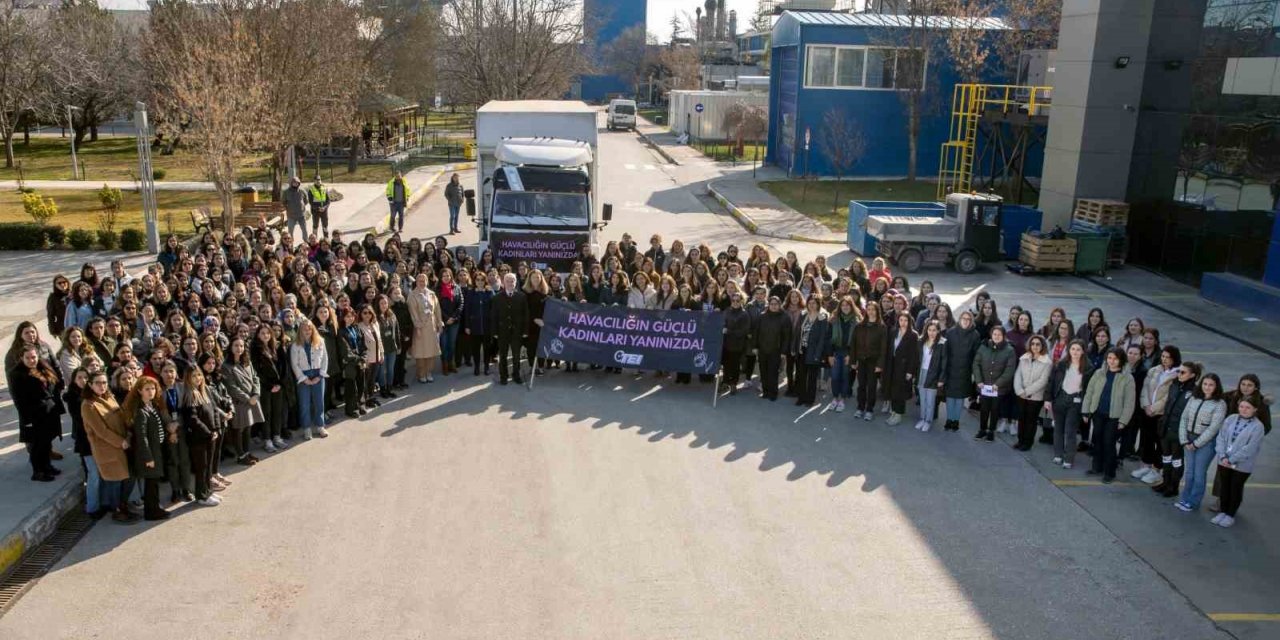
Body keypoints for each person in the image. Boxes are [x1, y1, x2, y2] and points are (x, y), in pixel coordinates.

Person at [81, 371, 139, 524]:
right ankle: (118, 510)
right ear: (90, 385)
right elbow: (101, 431)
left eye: (104, 382)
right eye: (98, 383)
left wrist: (127, 436)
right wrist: (120, 442)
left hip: (123, 444)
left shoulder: (109, 396)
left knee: (130, 476)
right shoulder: (88, 405)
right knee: (115, 481)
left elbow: (121, 418)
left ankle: (123, 504)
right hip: (108, 449)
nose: (102, 386)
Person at [1082, 347, 1136, 483]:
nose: (1112, 361)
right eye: (1109, 358)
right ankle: (1096, 467)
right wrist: (1086, 410)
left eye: (1115, 359)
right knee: (1097, 439)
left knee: (1109, 443)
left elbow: (1130, 401)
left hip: (1115, 416)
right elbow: (1089, 392)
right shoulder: (1099, 373)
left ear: (1121, 360)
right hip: (1098, 413)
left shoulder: (1128, 378)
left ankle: (1109, 472)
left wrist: (1123, 420)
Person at [11, 346, 65, 482]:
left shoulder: (42, 367)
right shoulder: (17, 374)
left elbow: (53, 385)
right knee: (37, 445)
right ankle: (38, 471)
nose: (31, 360)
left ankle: (47, 466)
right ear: (21, 358)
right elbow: (20, 400)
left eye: (34, 357)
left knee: (46, 442)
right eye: (27, 358)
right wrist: (27, 420)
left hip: (48, 412)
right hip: (34, 415)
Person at [1175, 373, 1227, 512]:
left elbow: (1213, 428)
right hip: (1188, 439)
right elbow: (1184, 419)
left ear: (1216, 387)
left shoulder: (1220, 404)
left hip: (1206, 443)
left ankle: (1194, 502)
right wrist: (1184, 440)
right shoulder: (1194, 398)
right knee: (1190, 472)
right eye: (1205, 384)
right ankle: (1185, 498)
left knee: (1199, 473)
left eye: (1211, 385)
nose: (1207, 387)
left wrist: (1196, 443)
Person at [1212, 397, 1266, 528]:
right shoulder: (1231, 419)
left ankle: (1230, 515)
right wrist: (1223, 456)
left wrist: (1231, 459)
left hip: (1242, 465)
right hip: (1224, 461)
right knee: (1224, 487)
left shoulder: (1258, 426)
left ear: (1255, 409)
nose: (1244, 410)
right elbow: (1221, 438)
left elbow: (1250, 448)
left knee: (1235, 488)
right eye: (1242, 406)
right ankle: (1223, 511)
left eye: (1248, 407)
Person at [122, 376, 170, 520]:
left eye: (153, 388)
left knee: (154, 483)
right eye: (147, 389)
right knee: (150, 484)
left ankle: (154, 507)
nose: (151, 392)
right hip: (150, 454)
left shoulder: (151, 405)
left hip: (156, 450)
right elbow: (141, 437)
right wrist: (148, 457)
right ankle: (152, 511)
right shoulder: (141, 412)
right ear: (139, 391)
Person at [1132, 346, 1182, 485]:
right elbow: (1145, 388)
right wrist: (1146, 405)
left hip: (1160, 414)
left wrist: (1153, 408)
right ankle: (1146, 466)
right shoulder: (1155, 370)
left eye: (1168, 357)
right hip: (1147, 411)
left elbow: (1169, 397)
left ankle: (1156, 470)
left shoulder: (1177, 375)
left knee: (1159, 443)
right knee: (1147, 440)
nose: (1165, 359)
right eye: (1163, 356)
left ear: (1174, 358)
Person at [1153, 361, 1201, 497]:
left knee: (1177, 460)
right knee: (1166, 457)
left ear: (1192, 375)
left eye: (1183, 372)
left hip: (1179, 431)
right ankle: (1165, 481)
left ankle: (1173, 487)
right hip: (1166, 428)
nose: (1179, 374)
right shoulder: (1174, 385)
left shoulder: (1195, 392)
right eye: (1179, 371)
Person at [181, 368, 222, 507]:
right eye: (194, 376)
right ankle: (201, 495)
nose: (198, 378)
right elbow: (193, 420)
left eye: (199, 375)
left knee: (209, 466)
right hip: (199, 438)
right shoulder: (189, 395)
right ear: (188, 378)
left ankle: (208, 490)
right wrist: (208, 432)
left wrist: (216, 429)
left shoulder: (204, 392)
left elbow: (214, 411)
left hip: (210, 436)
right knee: (201, 467)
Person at [972, 325, 1017, 442]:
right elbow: (976, 364)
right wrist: (979, 380)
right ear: (991, 335)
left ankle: (991, 431)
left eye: (999, 335)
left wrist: (998, 384)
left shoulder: (1009, 350)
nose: (997, 336)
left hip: (998, 387)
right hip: (984, 385)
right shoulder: (983, 347)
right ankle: (982, 430)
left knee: (995, 409)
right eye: (994, 334)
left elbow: (1009, 370)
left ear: (1003, 336)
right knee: (984, 408)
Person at [251, 326, 289, 452]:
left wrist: (280, 383)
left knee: (277, 411)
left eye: (268, 333)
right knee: (266, 413)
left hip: (278, 386)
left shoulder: (277, 347)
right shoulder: (255, 349)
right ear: (258, 335)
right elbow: (256, 371)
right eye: (262, 333)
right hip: (265, 387)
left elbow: (284, 366)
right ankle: (267, 439)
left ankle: (277, 437)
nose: (266, 335)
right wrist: (269, 385)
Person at [941, 311, 980, 432]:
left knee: (959, 398)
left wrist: (974, 373)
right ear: (959, 319)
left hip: (965, 371)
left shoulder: (975, 335)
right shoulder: (951, 332)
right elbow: (945, 352)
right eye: (964, 318)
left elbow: (976, 355)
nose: (966, 321)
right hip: (950, 369)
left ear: (971, 321)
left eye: (969, 319)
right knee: (950, 397)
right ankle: (949, 419)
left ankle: (955, 420)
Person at [1011, 335, 1052, 450]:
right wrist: (1019, 390)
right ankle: (1020, 441)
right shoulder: (1024, 358)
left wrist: (1027, 391)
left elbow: (1043, 381)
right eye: (1033, 344)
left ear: (1042, 346)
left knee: (1031, 421)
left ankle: (1027, 443)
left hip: (1035, 397)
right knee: (1021, 419)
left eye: (1038, 344)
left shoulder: (1047, 362)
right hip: (1021, 395)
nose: (1035, 346)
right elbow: (1018, 375)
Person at [291, 318, 329, 440]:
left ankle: (320, 425)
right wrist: (303, 378)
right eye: (304, 329)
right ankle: (307, 428)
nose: (307, 331)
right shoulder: (295, 345)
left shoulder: (320, 341)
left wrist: (320, 375)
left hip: (318, 374)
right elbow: (294, 364)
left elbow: (325, 359)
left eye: (309, 328)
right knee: (304, 404)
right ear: (300, 331)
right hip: (304, 376)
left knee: (319, 402)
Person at [491, 273, 528, 385]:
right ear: (503, 282)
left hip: (517, 332)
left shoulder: (521, 296)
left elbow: (526, 314)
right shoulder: (497, 297)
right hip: (502, 332)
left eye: (512, 281)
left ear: (515, 282)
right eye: (508, 281)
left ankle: (516, 375)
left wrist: (525, 331)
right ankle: (504, 376)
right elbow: (494, 316)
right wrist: (494, 331)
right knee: (503, 355)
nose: (510, 283)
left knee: (516, 355)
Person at [794, 295, 831, 408]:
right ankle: (801, 397)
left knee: (812, 377)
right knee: (801, 375)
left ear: (819, 304)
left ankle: (810, 399)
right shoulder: (803, 314)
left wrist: (818, 354)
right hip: (802, 350)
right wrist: (794, 348)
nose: (811, 305)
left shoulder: (822, 317)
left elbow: (822, 339)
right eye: (809, 302)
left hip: (814, 351)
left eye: (814, 303)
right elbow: (797, 332)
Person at [852, 302, 887, 421]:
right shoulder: (859, 326)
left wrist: (880, 364)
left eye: (873, 310)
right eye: (868, 309)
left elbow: (883, 348)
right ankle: (860, 407)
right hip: (861, 360)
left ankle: (869, 409)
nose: (871, 312)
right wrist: (853, 360)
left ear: (877, 311)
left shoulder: (881, 327)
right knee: (861, 385)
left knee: (872, 386)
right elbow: (854, 345)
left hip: (874, 361)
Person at [884, 312, 920, 426]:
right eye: (901, 320)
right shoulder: (894, 331)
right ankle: (894, 411)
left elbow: (914, 355)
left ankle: (899, 414)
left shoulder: (913, 335)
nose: (903, 323)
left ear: (909, 321)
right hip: (893, 365)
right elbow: (890, 349)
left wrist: (910, 371)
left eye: (905, 320)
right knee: (893, 389)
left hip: (904, 367)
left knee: (901, 391)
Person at [753, 296, 791, 401]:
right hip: (763, 349)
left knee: (773, 372)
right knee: (763, 371)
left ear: (779, 305)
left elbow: (787, 336)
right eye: (772, 304)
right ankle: (765, 392)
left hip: (776, 350)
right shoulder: (762, 316)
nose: (774, 306)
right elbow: (756, 332)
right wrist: (755, 346)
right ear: (768, 305)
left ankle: (773, 393)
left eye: (776, 304)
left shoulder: (784, 317)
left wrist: (783, 351)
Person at [408, 273, 443, 383]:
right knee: (421, 353)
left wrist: (439, 323)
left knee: (431, 351)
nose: (422, 283)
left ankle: (429, 372)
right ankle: (421, 374)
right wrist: (418, 327)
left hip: (431, 327)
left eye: (424, 280)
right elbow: (413, 313)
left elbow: (437, 309)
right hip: (420, 328)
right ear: (416, 282)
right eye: (420, 281)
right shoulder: (412, 295)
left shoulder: (432, 294)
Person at [827, 296, 860, 412]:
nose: (845, 307)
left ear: (852, 307)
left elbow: (858, 342)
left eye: (848, 305)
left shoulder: (856, 321)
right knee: (835, 376)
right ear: (840, 307)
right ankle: (835, 397)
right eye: (843, 305)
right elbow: (829, 338)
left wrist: (851, 355)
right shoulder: (834, 320)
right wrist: (830, 355)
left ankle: (842, 399)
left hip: (848, 353)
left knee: (845, 377)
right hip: (836, 352)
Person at [915, 320, 947, 432]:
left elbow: (944, 362)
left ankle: (928, 421)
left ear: (938, 331)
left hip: (934, 374)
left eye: (934, 330)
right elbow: (917, 360)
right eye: (929, 330)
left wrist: (941, 379)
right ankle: (922, 418)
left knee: (930, 400)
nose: (931, 332)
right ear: (926, 330)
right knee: (922, 399)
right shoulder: (921, 341)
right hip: (921, 373)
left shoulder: (942, 343)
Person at [720, 292, 751, 395]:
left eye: (738, 300)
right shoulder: (727, 311)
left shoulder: (744, 314)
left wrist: (729, 331)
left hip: (737, 344)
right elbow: (722, 323)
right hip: (725, 343)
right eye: (733, 300)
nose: (735, 302)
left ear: (742, 301)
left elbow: (744, 331)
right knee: (726, 365)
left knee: (735, 365)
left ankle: (733, 384)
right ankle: (725, 382)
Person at [437, 269, 464, 375]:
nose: (446, 278)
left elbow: (461, 303)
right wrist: (446, 318)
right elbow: (436, 306)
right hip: (443, 322)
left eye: (448, 275)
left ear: (451, 276)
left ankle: (451, 363)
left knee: (452, 344)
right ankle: (444, 365)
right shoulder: (437, 289)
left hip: (454, 321)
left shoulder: (457, 288)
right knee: (443, 344)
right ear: (441, 277)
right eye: (444, 276)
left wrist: (453, 317)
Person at [283, 177, 309, 242]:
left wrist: (302, 206)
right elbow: (283, 202)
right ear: (291, 183)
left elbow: (306, 200)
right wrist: (288, 209)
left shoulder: (302, 191)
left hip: (301, 215)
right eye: (294, 182)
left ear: (299, 183)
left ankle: (306, 242)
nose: (295, 184)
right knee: (290, 231)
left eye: (297, 183)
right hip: (291, 215)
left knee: (304, 229)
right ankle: (290, 243)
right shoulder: (286, 192)